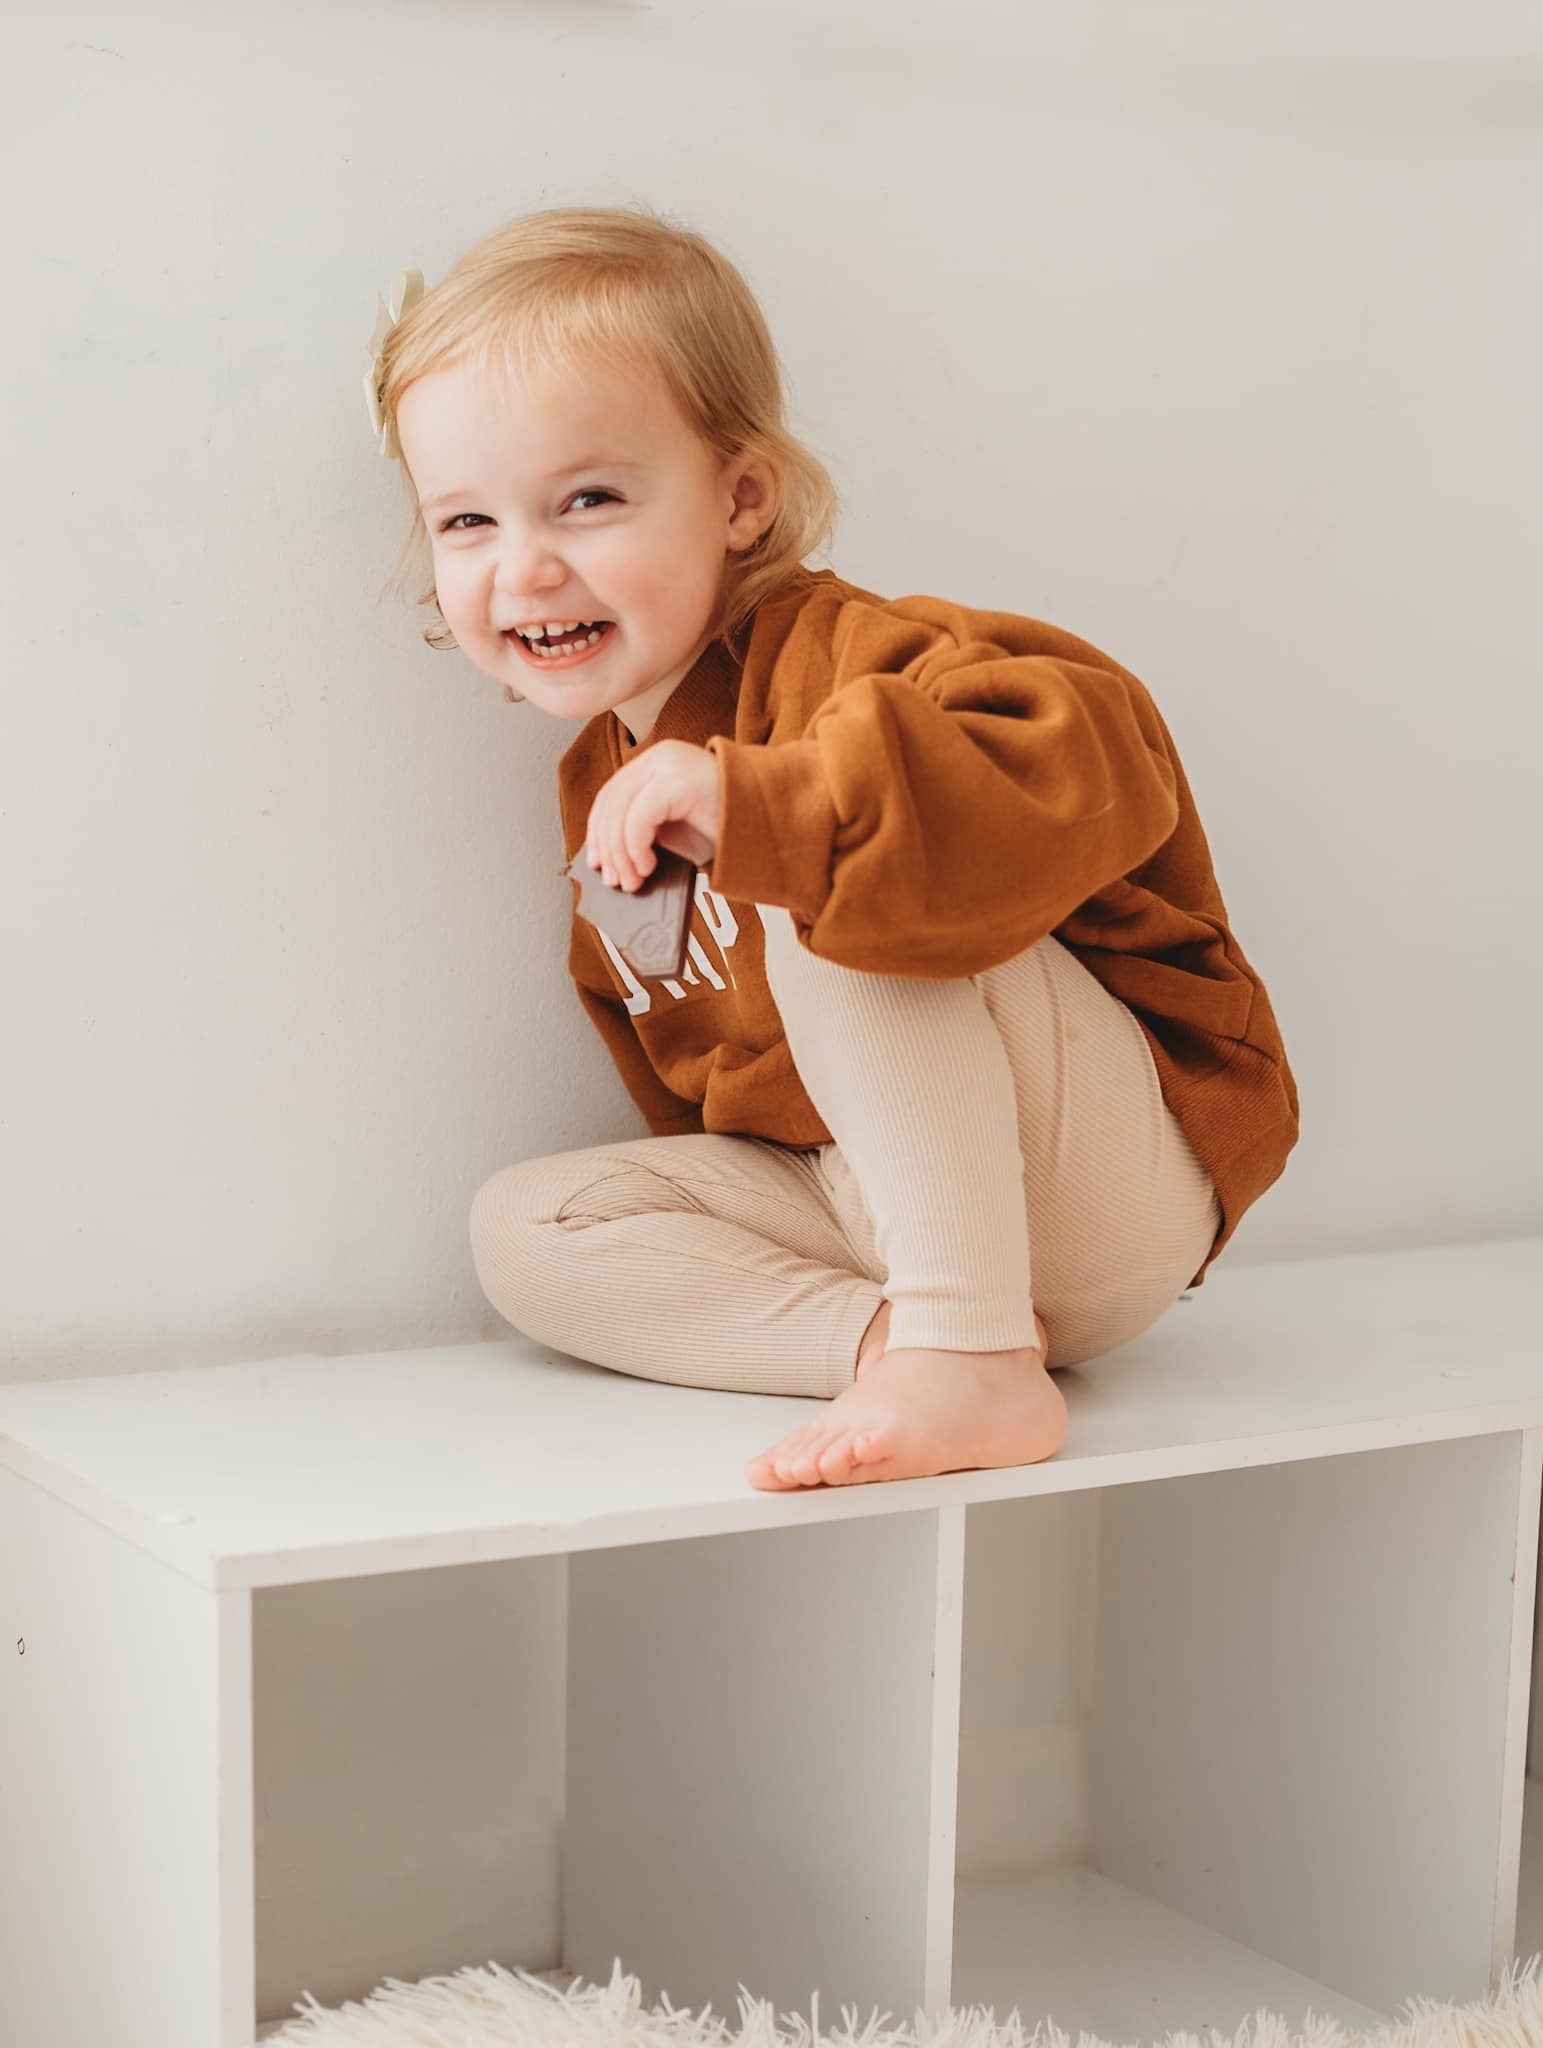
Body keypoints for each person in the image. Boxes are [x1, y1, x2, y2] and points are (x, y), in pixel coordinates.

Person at [367, 202, 1300, 1494]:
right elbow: (686, 1048)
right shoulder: (599, 782)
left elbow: (1095, 747)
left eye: (588, 500)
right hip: (893, 1215)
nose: (522, 571)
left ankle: (964, 1346)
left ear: (742, 498)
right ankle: (902, 1351)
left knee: (827, 883)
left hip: (1103, 1182)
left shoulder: (853, 655)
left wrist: (770, 806)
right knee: (525, 1224)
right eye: (467, 522)